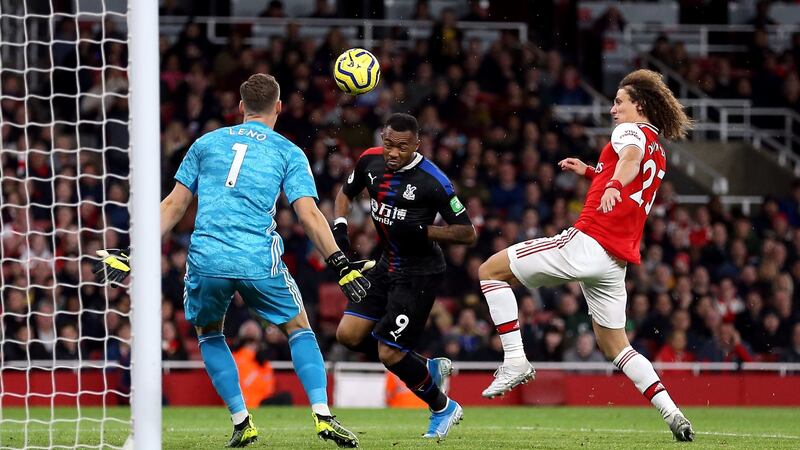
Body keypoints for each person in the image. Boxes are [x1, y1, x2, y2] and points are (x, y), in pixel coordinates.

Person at [95, 74, 370, 448]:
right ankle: (322, 413)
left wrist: (132, 251)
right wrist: (339, 263)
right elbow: (307, 214)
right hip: (258, 259)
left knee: (210, 333)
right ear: (278, 108)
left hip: (207, 259)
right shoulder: (289, 151)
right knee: (298, 327)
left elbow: (174, 205)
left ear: (240, 108)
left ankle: (242, 420)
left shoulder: (206, 143)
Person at [478, 69, 696, 441]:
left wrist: (610, 182)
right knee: (616, 346)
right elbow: (631, 170)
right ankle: (673, 413)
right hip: (615, 262)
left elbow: (627, 160)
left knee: (490, 271)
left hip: (589, 242)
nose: (613, 110)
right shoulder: (658, 148)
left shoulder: (629, 133)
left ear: (638, 106)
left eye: (619, 102)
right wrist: (593, 172)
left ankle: (515, 359)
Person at [332, 113, 476, 441]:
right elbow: (345, 193)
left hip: (419, 274)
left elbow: (468, 233)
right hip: (386, 265)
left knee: (389, 353)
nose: (393, 153)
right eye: (388, 144)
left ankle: (443, 407)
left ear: (416, 145)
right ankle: (425, 367)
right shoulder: (370, 161)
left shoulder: (433, 181)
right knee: (348, 335)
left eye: (401, 147)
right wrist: (340, 225)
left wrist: (425, 231)